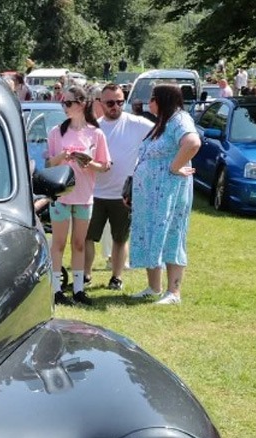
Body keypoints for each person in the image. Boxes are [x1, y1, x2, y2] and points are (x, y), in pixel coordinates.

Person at [129, 84, 201, 305]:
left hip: (168, 192)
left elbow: (192, 142)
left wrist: (174, 167)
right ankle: (153, 287)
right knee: (152, 234)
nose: (149, 103)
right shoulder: (164, 122)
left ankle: (174, 292)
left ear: (164, 100)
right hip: (151, 195)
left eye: (153, 98)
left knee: (171, 234)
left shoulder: (180, 120)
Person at [44, 84, 111, 306]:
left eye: (69, 103)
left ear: (82, 104)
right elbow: (48, 163)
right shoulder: (57, 132)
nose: (65, 107)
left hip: (84, 195)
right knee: (59, 243)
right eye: (63, 102)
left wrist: (87, 161)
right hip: (61, 195)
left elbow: (104, 165)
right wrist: (62, 156)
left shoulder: (96, 133)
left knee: (80, 243)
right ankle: (55, 290)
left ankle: (79, 289)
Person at [84, 82, 151, 292]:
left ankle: (116, 277)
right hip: (94, 192)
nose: (115, 106)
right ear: (100, 103)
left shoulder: (137, 123)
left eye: (120, 102)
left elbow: (164, 136)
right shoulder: (94, 127)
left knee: (120, 239)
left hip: (123, 195)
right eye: (110, 102)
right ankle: (85, 275)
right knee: (87, 237)